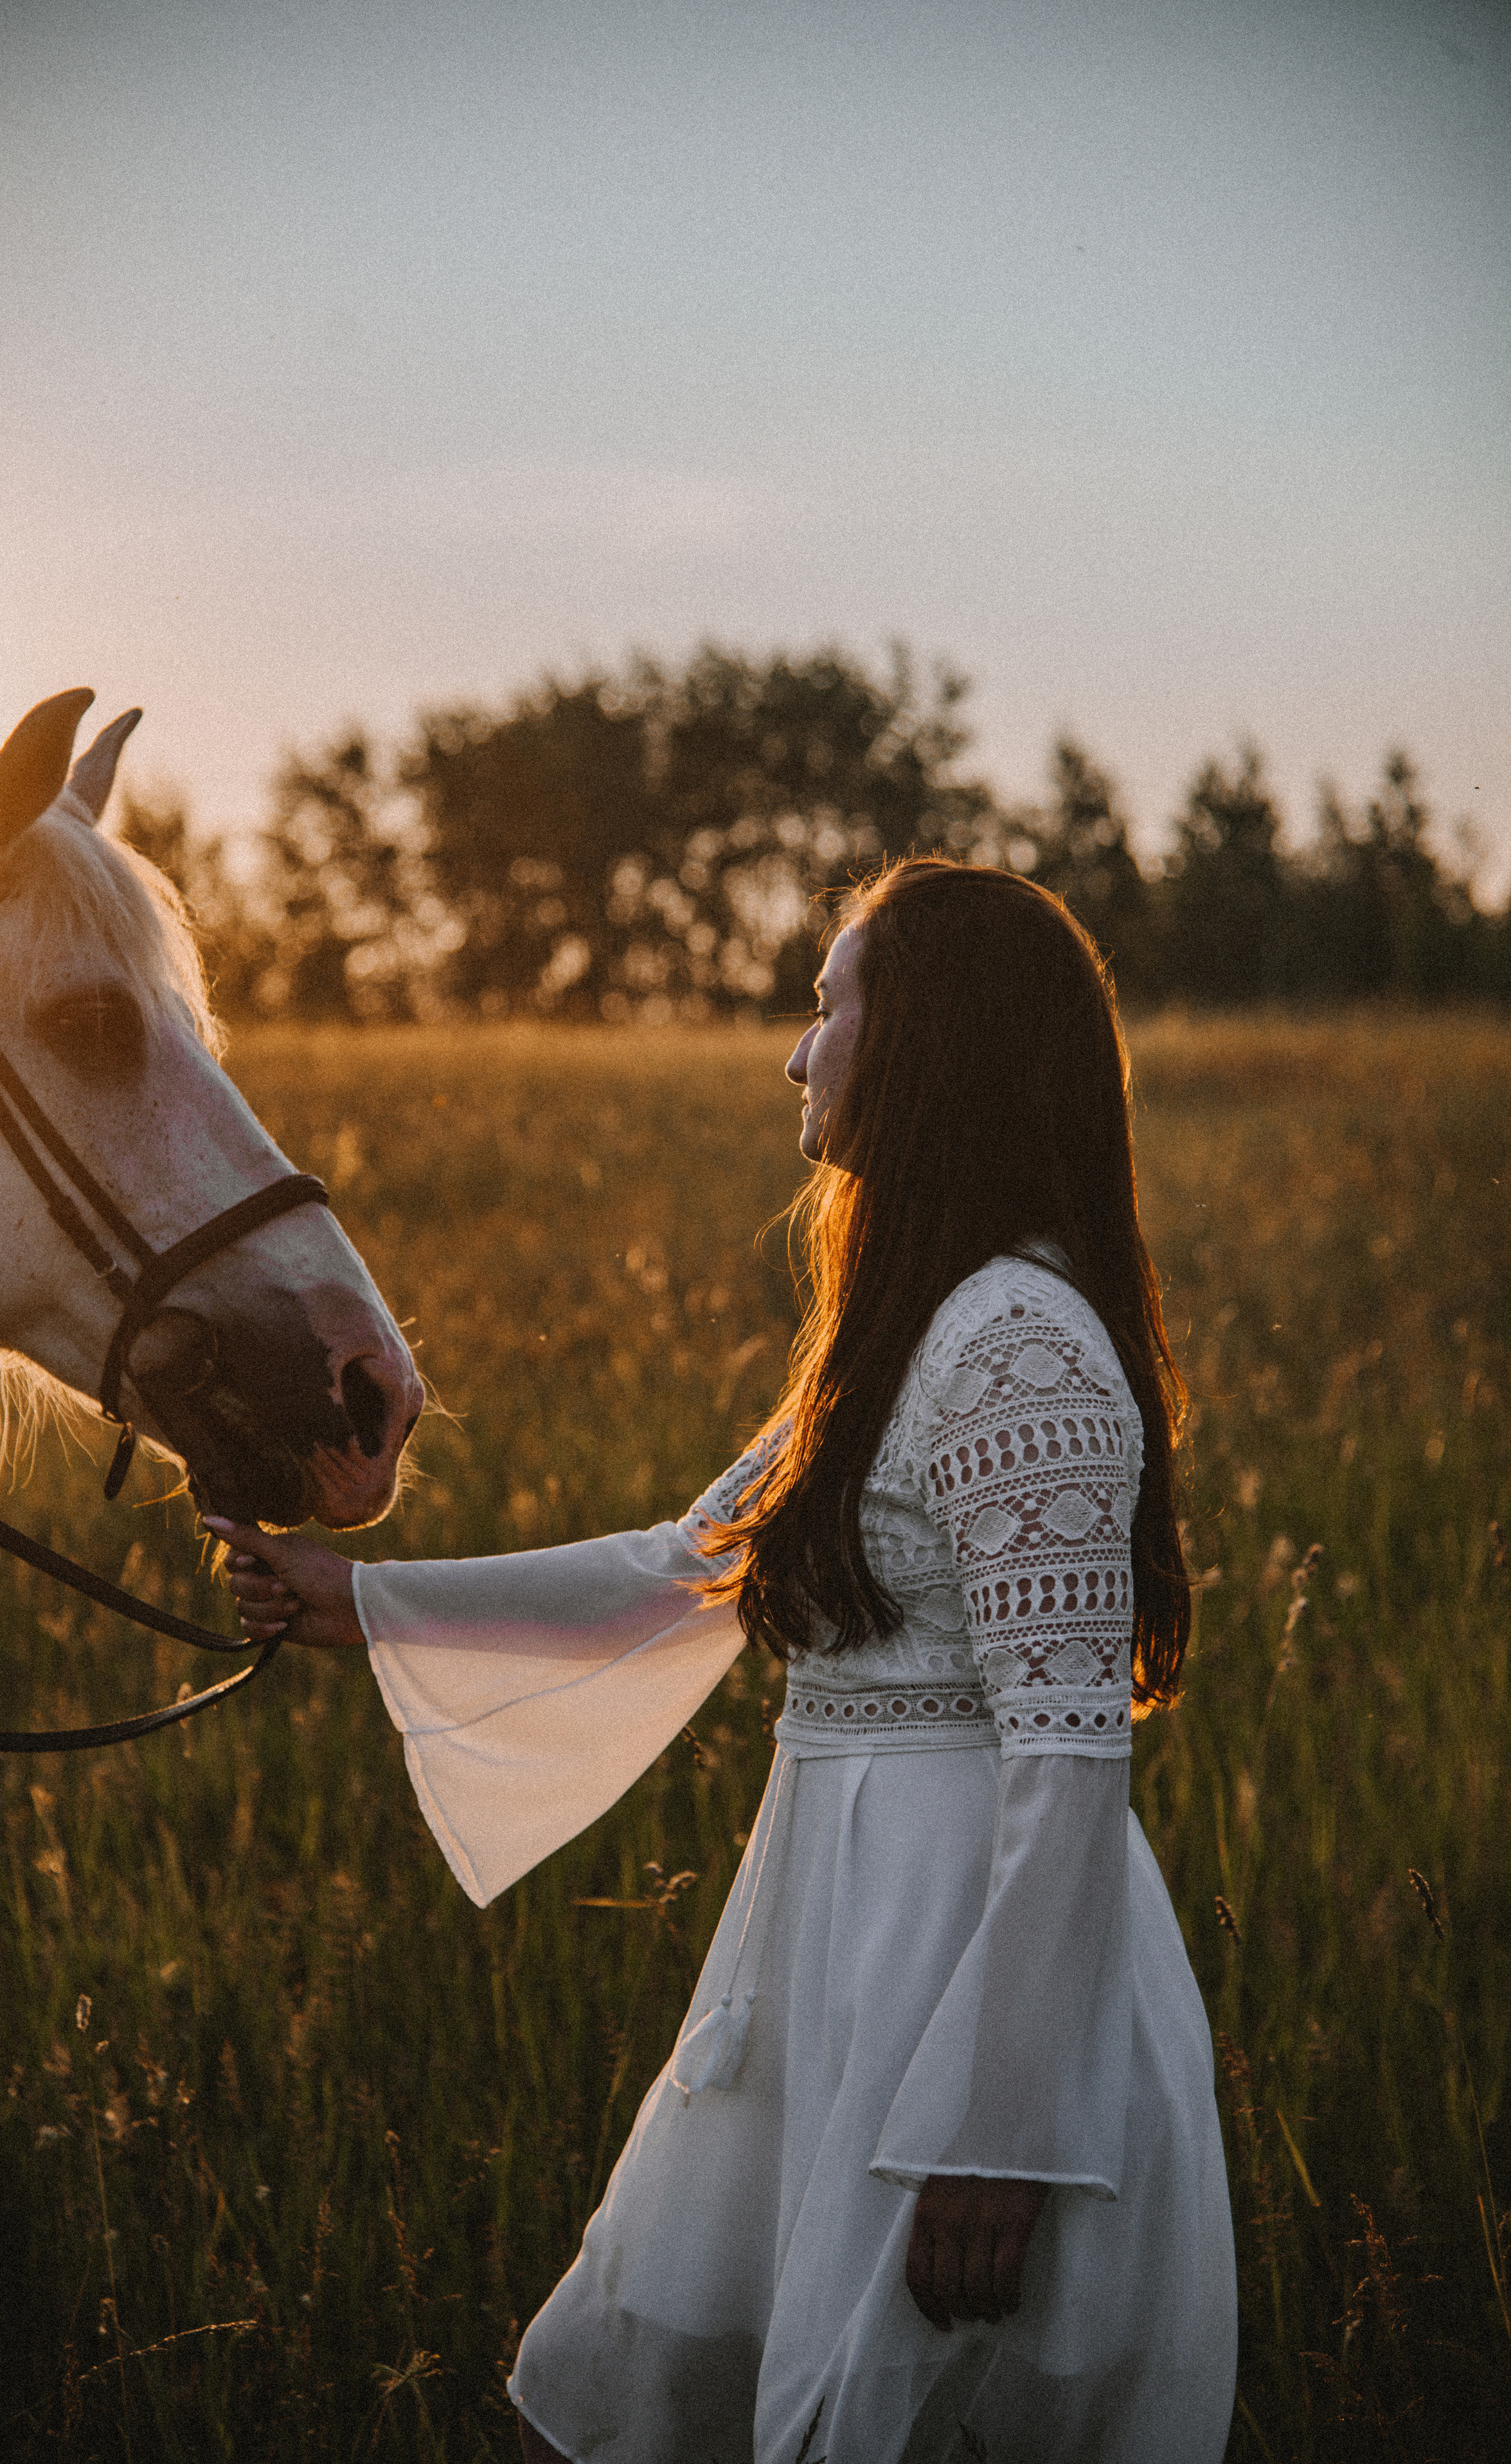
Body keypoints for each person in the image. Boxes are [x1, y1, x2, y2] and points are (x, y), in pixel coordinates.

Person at [207, 857, 1237, 2464]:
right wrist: (367, 1602)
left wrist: (1007, 2128)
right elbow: (689, 1566)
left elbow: (1064, 1759)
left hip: (962, 1971)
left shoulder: (1022, 1346)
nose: (794, 1049)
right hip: (833, 1929)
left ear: (926, 1044)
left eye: (826, 1004)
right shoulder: (911, 1324)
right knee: (698, 2375)